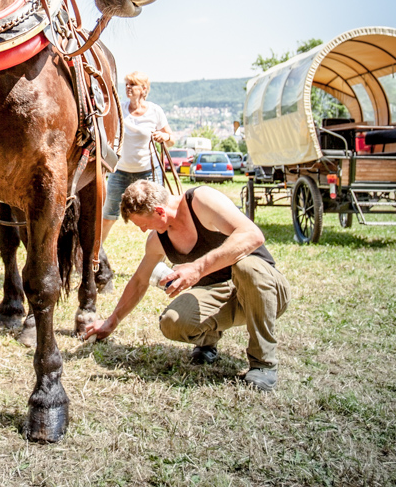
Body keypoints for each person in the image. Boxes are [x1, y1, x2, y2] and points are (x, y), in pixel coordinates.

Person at [82, 179, 290, 391]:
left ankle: (263, 363)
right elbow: (139, 281)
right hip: (221, 294)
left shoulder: (201, 200)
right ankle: (208, 340)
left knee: (246, 267)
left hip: (265, 290)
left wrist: (199, 268)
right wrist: (111, 321)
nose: (144, 230)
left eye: (143, 224)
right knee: (173, 321)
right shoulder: (158, 239)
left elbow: (253, 235)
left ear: (161, 212)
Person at [97, 71, 173, 291]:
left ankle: (161, 263)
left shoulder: (155, 111)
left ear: (144, 89)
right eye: (127, 84)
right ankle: (95, 260)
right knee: (108, 215)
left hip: (147, 173)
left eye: (134, 85)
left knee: (157, 217)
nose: (129, 87)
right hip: (120, 171)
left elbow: (170, 136)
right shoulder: (119, 109)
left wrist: (163, 137)